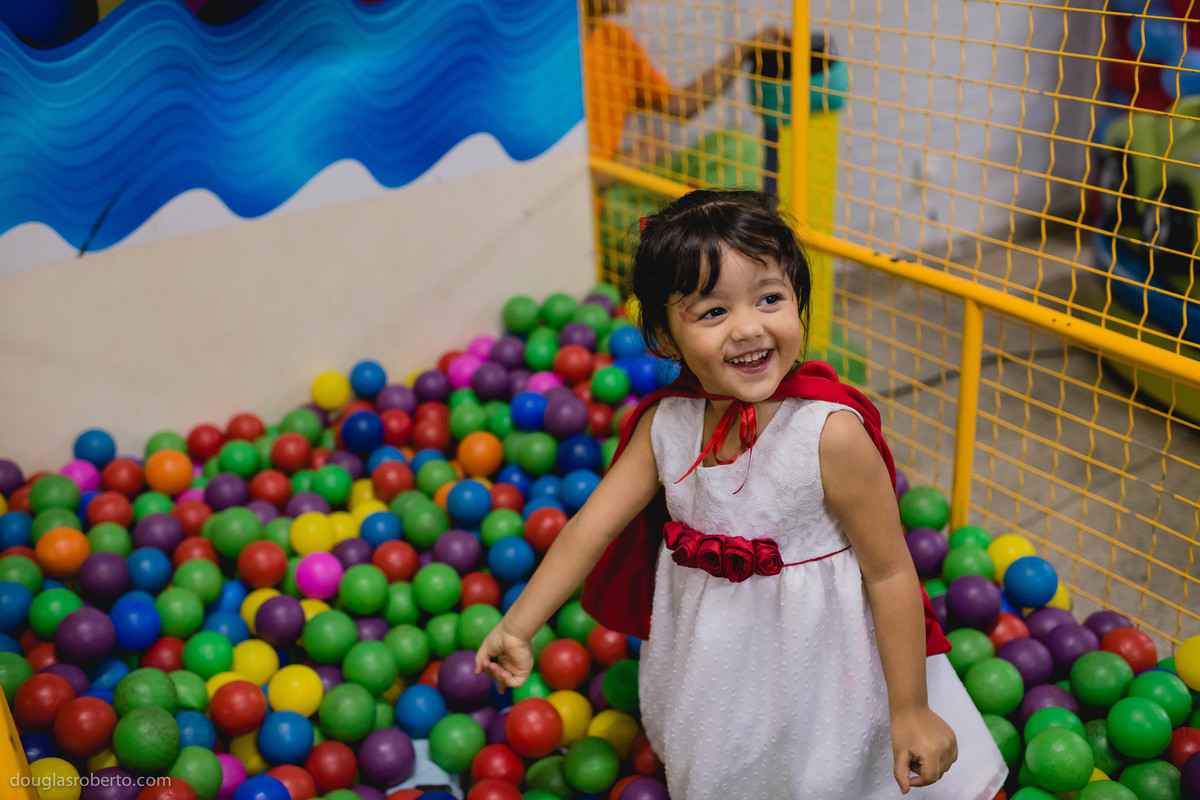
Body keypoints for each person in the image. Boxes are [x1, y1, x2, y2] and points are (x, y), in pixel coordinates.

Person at [475, 189, 1008, 800]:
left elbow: (889, 573)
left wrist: (910, 708)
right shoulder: (666, 427)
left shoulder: (828, 434)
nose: (750, 327)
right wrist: (518, 626)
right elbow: (589, 529)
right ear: (665, 338)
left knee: (829, 774)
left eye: (770, 298)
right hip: (715, 663)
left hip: (822, 665)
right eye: (712, 312)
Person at [584, 0, 790, 190]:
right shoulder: (561, 64)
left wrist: (745, 49)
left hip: (626, 172)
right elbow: (571, 178)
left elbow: (679, 106)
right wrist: (635, 157)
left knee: (740, 147)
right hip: (601, 196)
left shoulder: (615, 38)